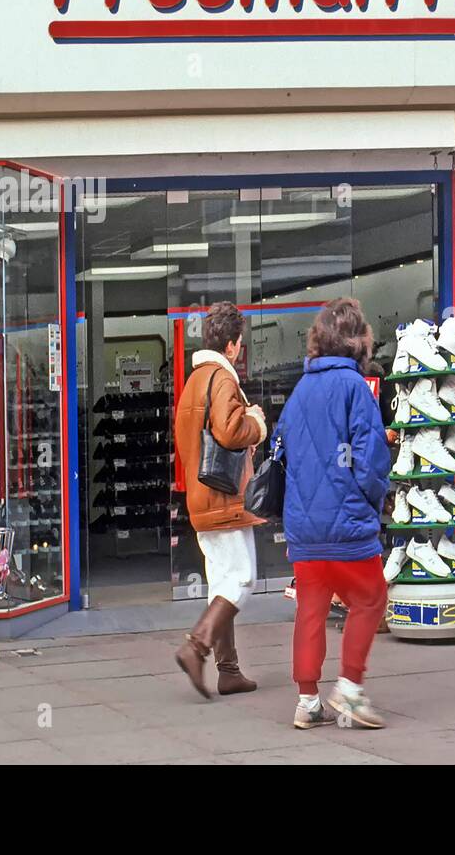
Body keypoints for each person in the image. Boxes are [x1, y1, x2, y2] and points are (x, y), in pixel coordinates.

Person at [276, 297, 391, 729]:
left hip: (305, 530)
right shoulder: (355, 389)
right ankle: (350, 689)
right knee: (371, 597)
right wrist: (373, 500)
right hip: (348, 527)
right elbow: (372, 459)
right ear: (359, 341)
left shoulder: (300, 391)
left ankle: (307, 700)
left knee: (311, 609)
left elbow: (284, 451)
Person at [172, 302, 268, 699]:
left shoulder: (195, 380)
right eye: (239, 343)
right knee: (243, 577)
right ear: (231, 345)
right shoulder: (223, 379)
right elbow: (230, 433)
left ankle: (229, 671)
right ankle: (196, 647)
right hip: (224, 498)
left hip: (201, 496)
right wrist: (257, 423)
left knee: (221, 581)